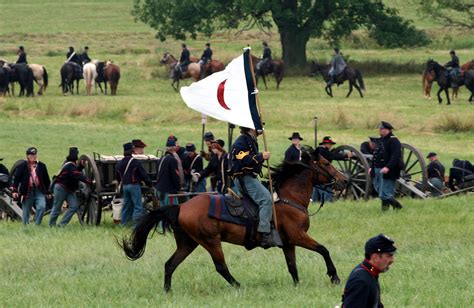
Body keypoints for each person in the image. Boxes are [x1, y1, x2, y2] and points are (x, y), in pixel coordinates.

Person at [230, 127, 276, 248]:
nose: (261, 128)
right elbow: (243, 159)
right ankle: (265, 234)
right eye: (257, 126)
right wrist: (261, 157)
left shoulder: (250, 140)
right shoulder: (242, 141)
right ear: (250, 128)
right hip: (245, 179)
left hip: (250, 178)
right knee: (266, 200)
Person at [342, 234, 397, 308]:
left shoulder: (370, 273)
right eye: (389, 256)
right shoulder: (361, 281)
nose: (392, 260)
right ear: (375, 257)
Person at [49, 147, 91, 227]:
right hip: (60, 188)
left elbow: (76, 171)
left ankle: (61, 225)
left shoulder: (71, 165)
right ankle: (51, 225)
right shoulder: (69, 165)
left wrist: (81, 166)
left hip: (69, 190)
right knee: (57, 208)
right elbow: (77, 174)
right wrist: (89, 181)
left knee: (74, 206)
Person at [11, 147, 51, 225]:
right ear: (27, 156)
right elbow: (16, 179)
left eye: (34, 155)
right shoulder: (22, 166)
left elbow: (47, 180)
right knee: (26, 211)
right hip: (27, 191)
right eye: (31, 155)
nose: (33, 156)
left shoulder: (42, 166)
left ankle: (37, 225)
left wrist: (48, 192)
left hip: (39, 190)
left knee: (42, 207)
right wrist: (14, 190)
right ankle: (25, 227)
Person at [116, 142, 152, 226]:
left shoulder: (119, 163)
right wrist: (149, 183)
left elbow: (118, 177)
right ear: (132, 151)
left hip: (124, 186)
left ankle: (124, 223)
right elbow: (143, 174)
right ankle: (136, 224)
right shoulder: (135, 162)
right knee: (138, 206)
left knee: (126, 205)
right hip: (134, 186)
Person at [370, 121, 403, 211]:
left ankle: (398, 207)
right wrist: (371, 168)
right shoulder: (382, 139)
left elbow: (395, 156)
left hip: (388, 170)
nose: (380, 130)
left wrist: (388, 167)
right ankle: (384, 211)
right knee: (379, 189)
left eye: (382, 129)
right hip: (378, 169)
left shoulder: (394, 140)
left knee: (384, 193)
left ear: (388, 130)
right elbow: (376, 155)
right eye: (380, 129)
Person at [312, 136, 352, 203]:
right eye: (329, 144)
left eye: (331, 144)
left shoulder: (323, 150)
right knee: (327, 190)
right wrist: (346, 155)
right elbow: (332, 156)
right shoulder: (322, 150)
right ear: (325, 144)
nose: (330, 146)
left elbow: (331, 154)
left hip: (318, 174)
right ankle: (327, 202)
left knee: (317, 190)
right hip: (322, 174)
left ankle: (315, 202)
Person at [155, 136, 181, 206]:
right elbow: (175, 175)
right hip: (168, 190)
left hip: (159, 188)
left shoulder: (161, 158)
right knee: (171, 210)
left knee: (163, 210)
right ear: (174, 148)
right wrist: (178, 188)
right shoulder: (172, 160)